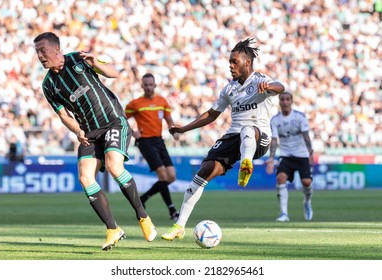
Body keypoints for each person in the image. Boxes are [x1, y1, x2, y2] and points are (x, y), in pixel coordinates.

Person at [33, 32, 157, 251]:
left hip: (113, 122)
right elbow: (63, 116)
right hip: (88, 132)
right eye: (37, 52)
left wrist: (95, 60)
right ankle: (113, 229)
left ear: (56, 49)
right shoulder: (48, 85)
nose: (40, 56)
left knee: (113, 166)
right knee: (84, 177)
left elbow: (114, 73)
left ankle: (142, 216)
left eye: (42, 51)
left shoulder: (79, 59)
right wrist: (77, 131)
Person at [161, 38, 285, 241]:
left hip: (259, 138)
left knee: (247, 129)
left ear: (247, 62)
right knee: (203, 173)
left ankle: (246, 164)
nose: (230, 65)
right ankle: (179, 226)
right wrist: (184, 128)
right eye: (229, 61)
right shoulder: (229, 89)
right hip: (233, 138)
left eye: (234, 61)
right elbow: (211, 114)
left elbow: (281, 87)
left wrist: (269, 86)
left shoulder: (260, 80)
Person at [125, 73, 179, 221]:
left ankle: (143, 198)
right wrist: (133, 132)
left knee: (171, 177)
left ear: (155, 85)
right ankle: (172, 210)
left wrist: (173, 130)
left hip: (159, 141)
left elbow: (168, 118)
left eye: (151, 84)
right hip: (145, 142)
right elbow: (121, 119)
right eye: (146, 85)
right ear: (142, 86)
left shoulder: (162, 101)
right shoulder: (135, 103)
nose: (148, 87)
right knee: (163, 176)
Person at [266, 91, 314, 222]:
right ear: (279, 102)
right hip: (286, 155)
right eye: (282, 99)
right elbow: (274, 140)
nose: (285, 102)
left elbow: (306, 136)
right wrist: (271, 158)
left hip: (302, 154)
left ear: (291, 101)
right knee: (280, 178)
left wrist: (310, 153)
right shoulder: (275, 120)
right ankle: (284, 214)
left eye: (287, 99)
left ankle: (307, 202)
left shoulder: (300, 117)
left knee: (307, 182)